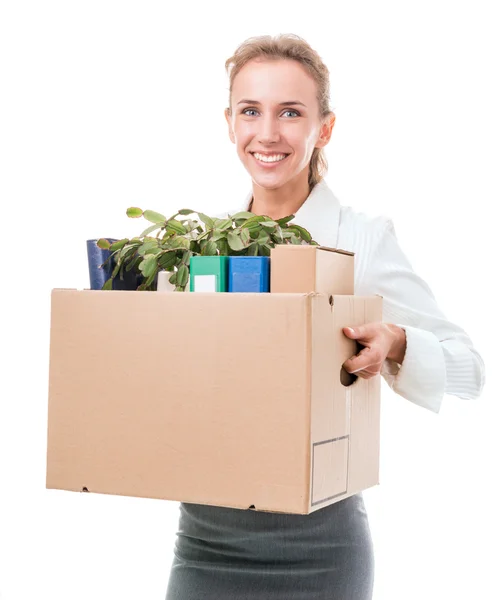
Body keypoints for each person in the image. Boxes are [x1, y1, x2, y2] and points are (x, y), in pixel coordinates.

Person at [164, 34, 485, 600]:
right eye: (250, 111)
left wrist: (399, 341)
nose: (268, 133)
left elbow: (471, 368)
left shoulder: (361, 238)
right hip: (205, 542)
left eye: (291, 112)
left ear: (325, 128)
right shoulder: (199, 245)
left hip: (320, 548)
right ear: (229, 122)